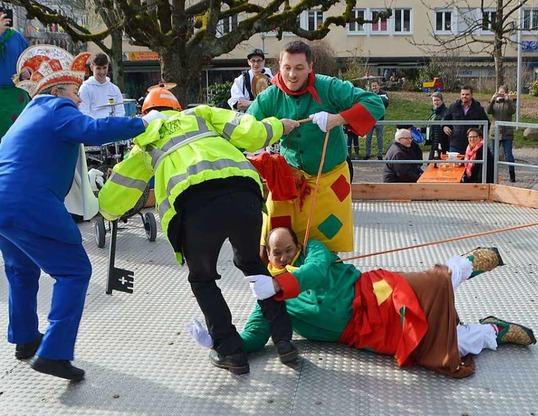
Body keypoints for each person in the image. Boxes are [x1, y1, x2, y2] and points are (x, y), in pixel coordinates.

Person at [98, 88, 301, 375]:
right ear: (177, 107)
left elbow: (112, 200)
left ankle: (231, 352)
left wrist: (106, 209)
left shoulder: (145, 141)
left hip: (195, 209)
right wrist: (280, 125)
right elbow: (251, 132)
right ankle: (284, 341)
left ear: (145, 114)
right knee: (253, 264)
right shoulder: (200, 114)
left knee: (203, 279)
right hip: (244, 193)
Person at [0, 46, 149, 381]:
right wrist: (141, 123)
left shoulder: (29, 113)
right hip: (31, 202)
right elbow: (93, 131)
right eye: (74, 91)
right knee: (74, 270)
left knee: (20, 270)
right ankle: (53, 353)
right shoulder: (56, 107)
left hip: (3, 201)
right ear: (57, 91)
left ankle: (25, 339)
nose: (79, 99)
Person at [237, 227, 536, 378]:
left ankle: (471, 262)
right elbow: (253, 337)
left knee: (432, 282)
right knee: (431, 349)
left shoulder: (315, 251)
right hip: (365, 332)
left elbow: (313, 273)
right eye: (277, 253)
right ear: (268, 255)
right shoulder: (267, 300)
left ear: (298, 245)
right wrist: (221, 341)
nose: (284, 257)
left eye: (288, 249)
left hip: (374, 290)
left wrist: (279, 283)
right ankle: (492, 332)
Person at [246, 40, 385, 256]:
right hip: (288, 179)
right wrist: (274, 128)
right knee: (276, 235)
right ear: (279, 67)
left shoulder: (329, 87)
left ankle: (326, 281)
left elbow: (374, 103)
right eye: (287, 68)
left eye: (299, 68)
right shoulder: (270, 96)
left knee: (326, 240)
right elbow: (244, 128)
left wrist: (337, 119)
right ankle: (282, 283)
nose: (292, 74)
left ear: (311, 66)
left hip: (329, 179)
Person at [0, 10, 29, 141]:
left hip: (16, 96)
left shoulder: (16, 37)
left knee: (17, 139)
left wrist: (26, 72)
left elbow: (28, 59)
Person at [443, 85, 490, 154]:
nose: (464, 96)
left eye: (467, 94)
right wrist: (444, 126)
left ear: (472, 95)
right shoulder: (453, 107)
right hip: (455, 143)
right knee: (454, 164)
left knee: (472, 165)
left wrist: (480, 136)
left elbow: (487, 123)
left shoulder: (478, 108)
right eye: (463, 94)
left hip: (472, 144)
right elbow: (445, 119)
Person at [78, 53, 125, 118]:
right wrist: (100, 125)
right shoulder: (85, 88)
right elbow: (83, 112)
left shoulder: (115, 89)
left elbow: (120, 111)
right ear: (91, 67)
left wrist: (113, 124)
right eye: (98, 68)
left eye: (104, 68)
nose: (102, 72)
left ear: (108, 66)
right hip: (94, 127)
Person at [487, 85, 517, 182]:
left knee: (508, 154)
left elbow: (512, 111)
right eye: (500, 92)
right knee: (493, 154)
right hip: (495, 131)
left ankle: (512, 174)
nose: (501, 94)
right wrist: (492, 100)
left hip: (507, 132)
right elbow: (488, 111)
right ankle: (491, 174)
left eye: (503, 92)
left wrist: (508, 100)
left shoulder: (509, 102)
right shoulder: (494, 102)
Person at [364, 80, 389, 160]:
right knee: (368, 138)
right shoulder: (369, 94)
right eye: (372, 86)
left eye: (375, 85)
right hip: (370, 119)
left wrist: (373, 100)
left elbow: (385, 102)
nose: (374, 87)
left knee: (380, 138)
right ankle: (367, 154)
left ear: (379, 86)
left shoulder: (384, 94)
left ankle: (380, 154)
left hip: (380, 120)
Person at [426, 91, 449, 161]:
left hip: (441, 143)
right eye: (434, 100)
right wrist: (420, 130)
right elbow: (430, 128)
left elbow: (441, 127)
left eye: (437, 100)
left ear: (441, 101)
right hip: (433, 142)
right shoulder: (434, 113)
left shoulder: (446, 112)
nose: (436, 102)